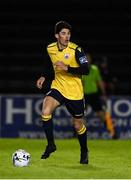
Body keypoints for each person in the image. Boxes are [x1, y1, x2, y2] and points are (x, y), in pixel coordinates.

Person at [36, 21, 90, 164]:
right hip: (58, 87)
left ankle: (84, 150)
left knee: (77, 125)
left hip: (74, 92)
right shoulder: (50, 48)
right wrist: (43, 76)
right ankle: (51, 144)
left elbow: (86, 69)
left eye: (68, 33)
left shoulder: (76, 50)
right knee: (45, 111)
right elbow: (49, 63)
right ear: (56, 35)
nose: (67, 37)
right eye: (63, 33)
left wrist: (68, 68)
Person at [82, 53, 116, 139]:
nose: (87, 60)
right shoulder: (80, 69)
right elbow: (80, 83)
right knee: (79, 115)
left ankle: (111, 133)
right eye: (85, 58)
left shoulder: (95, 69)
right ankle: (76, 134)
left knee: (101, 114)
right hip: (83, 95)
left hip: (94, 94)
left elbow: (99, 81)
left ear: (90, 59)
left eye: (88, 58)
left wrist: (103, 93)